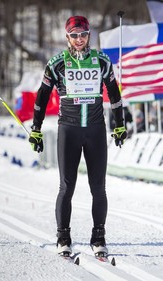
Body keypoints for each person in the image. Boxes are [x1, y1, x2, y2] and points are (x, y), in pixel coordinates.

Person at [28, 15, 127, 257]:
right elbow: (41, 97)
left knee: (98, 188)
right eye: (74, 35)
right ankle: (63, 237)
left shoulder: (102, 61)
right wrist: (36, 129)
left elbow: (115, 95)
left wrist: (120, 125)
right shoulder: (57, 63)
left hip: (94, 130)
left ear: (89, 35)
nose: (79, 39)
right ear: (67, 37)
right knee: (66, 187)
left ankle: (99, 237)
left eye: (83, 34)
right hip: (69, 130)